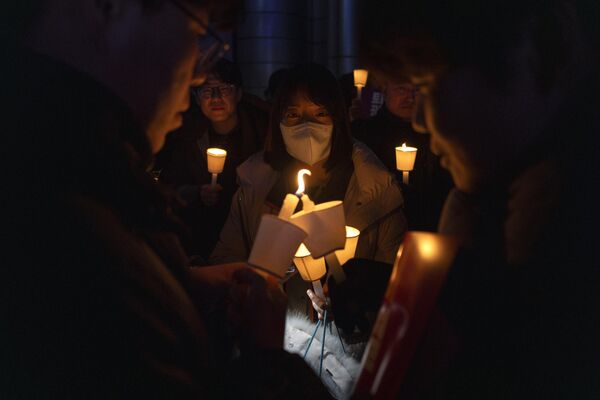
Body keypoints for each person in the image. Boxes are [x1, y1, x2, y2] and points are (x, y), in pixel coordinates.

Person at [1, 1, 330, 398]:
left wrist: (176, 282)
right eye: (195, 34)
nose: (199, 75)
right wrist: (265, 360)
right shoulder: (58, 218)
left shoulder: (77, 171)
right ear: (113, 9)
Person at [336, 0, 600, 397]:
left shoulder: (567, 236)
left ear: (537, 47)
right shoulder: (496, 202)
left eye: (424, 84)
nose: (420, 120)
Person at [210, 63, 407, 311]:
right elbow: (225, 261)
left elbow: (396, 289)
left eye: (320, 113)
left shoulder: (376, 192)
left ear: (338, 117)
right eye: (293, 115)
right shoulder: (254, 187)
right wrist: (256, 285)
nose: (306, 125)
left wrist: (357, 297)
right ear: (278, 120)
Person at [155, 58, 268, 260]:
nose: (215, 98)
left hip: (254, 240)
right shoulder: (183, 136)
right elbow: (168, 186)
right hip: (201, 243)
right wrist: (196, 193)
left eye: (224, 89)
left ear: (239, 93)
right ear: (197, 98)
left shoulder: (262, 134)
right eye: (207, 91)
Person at [352, 78, 452, 231]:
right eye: (401, 89)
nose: (410, 98)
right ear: (384, 89)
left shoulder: (440, 136)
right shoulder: (364, 134)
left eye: (416, 90)